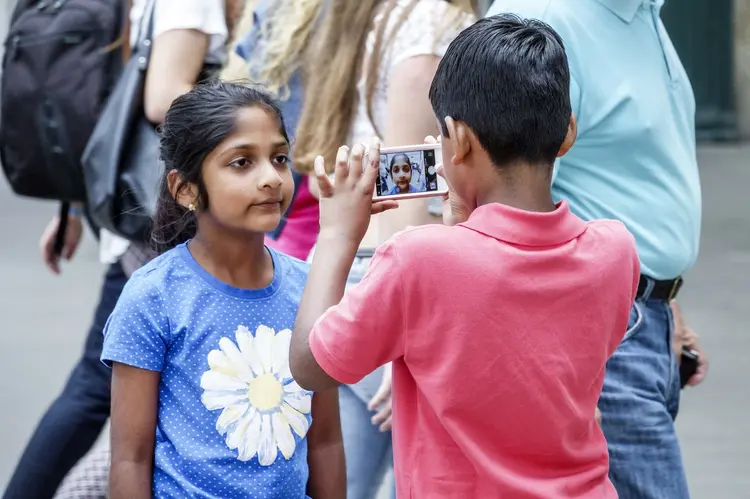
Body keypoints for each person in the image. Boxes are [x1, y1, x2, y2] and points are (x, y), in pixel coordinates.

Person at [289, 15, 640, 498]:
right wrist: (461, 231)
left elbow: (311, 365)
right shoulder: (615, 251)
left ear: (458, 139)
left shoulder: (419, 259)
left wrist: (335, 235)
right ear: (567, 133)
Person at [2, 2, 233, 498]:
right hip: (157, 225)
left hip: (141, 217)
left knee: (113, 391)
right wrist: (254, 120)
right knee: (96, 389)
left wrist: (75, 208)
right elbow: (162, 97)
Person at [248, 1, 475, 497]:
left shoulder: (382, 16)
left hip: (363, 272)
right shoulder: (431, 24)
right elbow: (408, 186)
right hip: (394, 274)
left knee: (336, 480)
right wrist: (405, 338)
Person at [486, 1, 707, 497]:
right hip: (594, 331)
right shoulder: (543, 17)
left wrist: (662, 296)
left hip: (641, 320)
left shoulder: (643, 11)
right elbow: (503, 207)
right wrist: (563, 363)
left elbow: (625, 174)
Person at [101, 81, 344, 498]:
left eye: (280, 158)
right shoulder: (153, 297)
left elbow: (325, 442)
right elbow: (130, 459)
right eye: (242, 163)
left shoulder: (310, 289)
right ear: (186, 189)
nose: (271, 177)